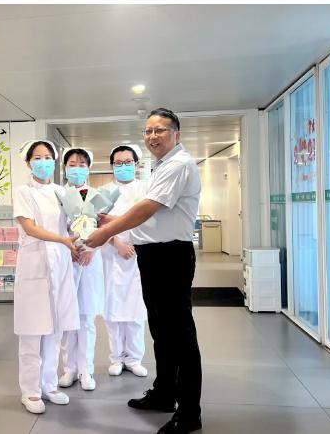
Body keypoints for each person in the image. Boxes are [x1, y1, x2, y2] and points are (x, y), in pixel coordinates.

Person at [86, 109, 203, 434]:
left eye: (160, 130)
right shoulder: (162, 166)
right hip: (153, 256)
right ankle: (164, 393)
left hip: (171, 256)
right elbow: (151, 214)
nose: (153, 136)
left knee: (180, 334)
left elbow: (148, 208)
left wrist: (107, 233)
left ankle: (189, 413)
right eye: (148, 131)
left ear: (176, 134)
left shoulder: (179, 164)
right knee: (161, 330)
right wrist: (114, 222)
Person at [13, 140, 81, 415]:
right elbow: (29, 227)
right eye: (37, 158)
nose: (43, 162)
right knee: (32, 331)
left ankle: (49, 385)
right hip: (35, 262)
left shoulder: (62, 192)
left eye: (48, 157)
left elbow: (73, 223)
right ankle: (30, 390)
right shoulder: (23, 191)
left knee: (56, 328)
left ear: (54, 161)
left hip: (61, 262)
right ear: (28, 163)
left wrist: (82, 232)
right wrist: (63, 240)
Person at [100, 144, 148, 378]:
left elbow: (150, 219)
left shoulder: (146, 189)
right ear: (112, 166)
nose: (123, 166)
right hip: (112, 255)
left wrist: (135, 243)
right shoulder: (104, 192)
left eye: (128, 162)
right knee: (113, 309)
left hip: (139, 254)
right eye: (118, 163)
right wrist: (117, 243)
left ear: (136, 164)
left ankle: (134, 358)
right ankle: (117, 358)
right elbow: (98, 223)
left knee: (136, 310)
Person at [59, 147, 104, 392]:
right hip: (66, 260)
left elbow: (105, 229)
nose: (77, 168)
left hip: (89, 262)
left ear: (89, 168)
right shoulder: (57, 194)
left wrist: (91, 249)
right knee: (68, 317)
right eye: (72, 164)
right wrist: (68, 248)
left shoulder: (97, 196)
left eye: (82, 164)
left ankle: (86, 370)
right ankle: (69, 368)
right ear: (65, 167)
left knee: (86, 317)